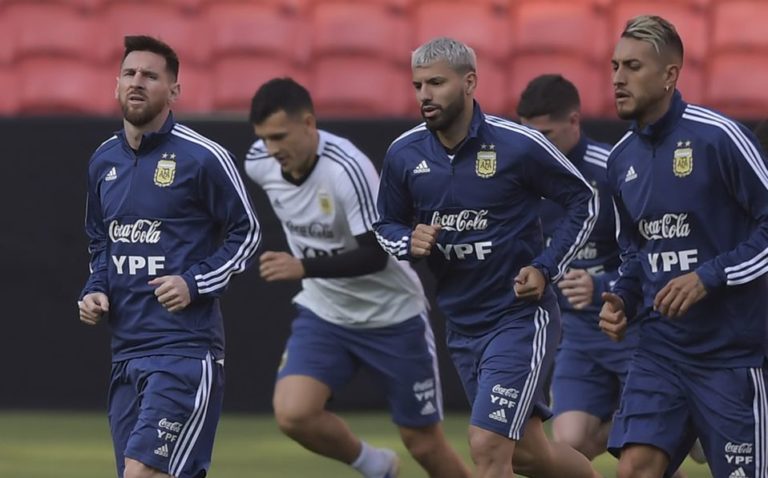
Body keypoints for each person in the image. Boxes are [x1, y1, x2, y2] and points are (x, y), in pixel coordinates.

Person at [374, 37, 601, 478]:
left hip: (519, 317)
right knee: (531, 455)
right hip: (463, 323)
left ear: (470, 82)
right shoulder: (404, 154)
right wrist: (407, 241)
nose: (425, 95)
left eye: (437, 83)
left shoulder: (518, 144)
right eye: (418, 84)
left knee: (488, 445)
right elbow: (384, 225)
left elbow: (583, 201)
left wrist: (545, 267)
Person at [244, 77, 470, 478]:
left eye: (280, 136)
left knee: (423, 443)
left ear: (309, 124)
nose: (273, 148)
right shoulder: (259, 164)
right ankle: (375, 465)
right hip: (326, 314)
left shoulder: (347, 168)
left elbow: (375, 254)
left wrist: (303, 267)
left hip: (392, 317)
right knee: (294, 413)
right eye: (264, 138)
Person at [77, 35, 261, 478]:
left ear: (174, 91)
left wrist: (194, 282)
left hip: (183, 351)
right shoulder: (103, 161)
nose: (137, 82)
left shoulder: (204, 157)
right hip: (126, 353)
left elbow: (248, 232)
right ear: (116, 84)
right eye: (129, 73)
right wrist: (96, 289)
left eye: (150, 76)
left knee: (142, 474)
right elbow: (101, 240)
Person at [599, 15, 768, 478]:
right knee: (635, 469)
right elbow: (634, 252)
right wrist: (625, 300)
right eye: (614, 66)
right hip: (660, 352)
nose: (617, 78)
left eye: (633, 66)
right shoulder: (619, 161)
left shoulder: (721, 138)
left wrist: (709, 276)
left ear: (670, 75)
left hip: (731, 355)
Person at [516, 74, 627, 461]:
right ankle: (661, 425)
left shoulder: (613, 171)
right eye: (529, 134)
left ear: (574, 122)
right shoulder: (523, 176)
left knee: (641, 452)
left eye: (545, 134)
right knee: (569, 443)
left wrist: (602, 285)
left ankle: (669, 425)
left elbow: (653, 250)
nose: (536, 145)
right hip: (578, 333)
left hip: (632, 325)